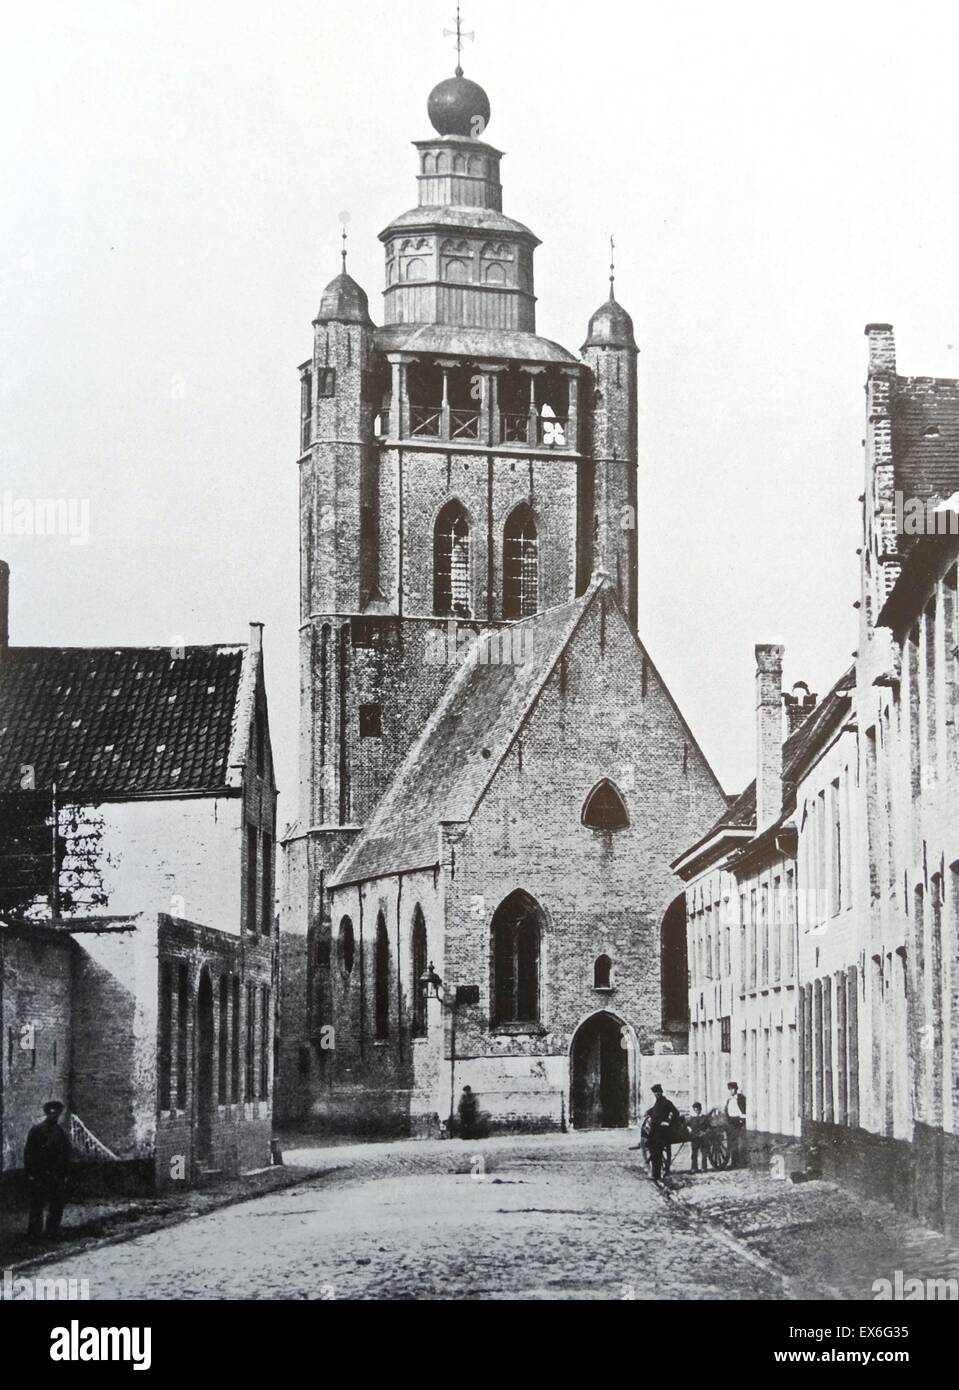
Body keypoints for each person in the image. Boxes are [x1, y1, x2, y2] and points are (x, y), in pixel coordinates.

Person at [25, 1101, 71, 1240]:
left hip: (56, 1175)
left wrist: (65, 1173)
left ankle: (52, 1232)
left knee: (57, 1204)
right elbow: (28, 1152)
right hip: (40, 1174)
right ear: (47, 1113)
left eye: (56, 1112)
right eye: (51, 1112)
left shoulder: (60, 1132)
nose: (54, 1115)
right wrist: (30, 1173)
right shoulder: (37, 1130)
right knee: (37, 1205)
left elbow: (65, 1154)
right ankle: (34, 1235)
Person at [646, 1084, 680, 1183]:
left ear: (661, 1092)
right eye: (655, 1093)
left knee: (658, 1154)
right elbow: (653, 1111)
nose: (656, 1094)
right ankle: (655, 1174)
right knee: (653, 1153)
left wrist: (668, 1121)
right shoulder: (657, 1103)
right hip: (654, 1132)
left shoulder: (667, 1103)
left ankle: (657, 1175)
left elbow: (675, 1112)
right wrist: (647, 1112)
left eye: (658, 1092)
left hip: (662, 1132)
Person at [725, 1082, 747, 1168]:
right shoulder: (729, 1100)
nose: (731, 1091)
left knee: (741, 1142)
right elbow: (727, 1111)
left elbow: (745, 1109)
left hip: (740, 1121)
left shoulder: (741, 1098)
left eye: (732, 1089)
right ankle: (734, 1163)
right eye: (730, 1089)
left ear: (736, 1089)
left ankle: (742, 1162)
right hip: (731, 1122)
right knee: (732, 1143)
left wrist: (742, 1118)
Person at [688, 1101, 709, 1173]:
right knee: (694, 1153)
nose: (697, 1111)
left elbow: (709, 1127)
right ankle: (694, 1168)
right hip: (694, 1138)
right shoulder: (692, 1118)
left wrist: (704, 1132)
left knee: (704, 1153)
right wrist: (689, 1129)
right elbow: (687, 1125)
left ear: (700, 1109)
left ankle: (704, 1167)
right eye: (695, 1109)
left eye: (698, 1109)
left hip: (703, 1138)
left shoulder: (704, 1118)